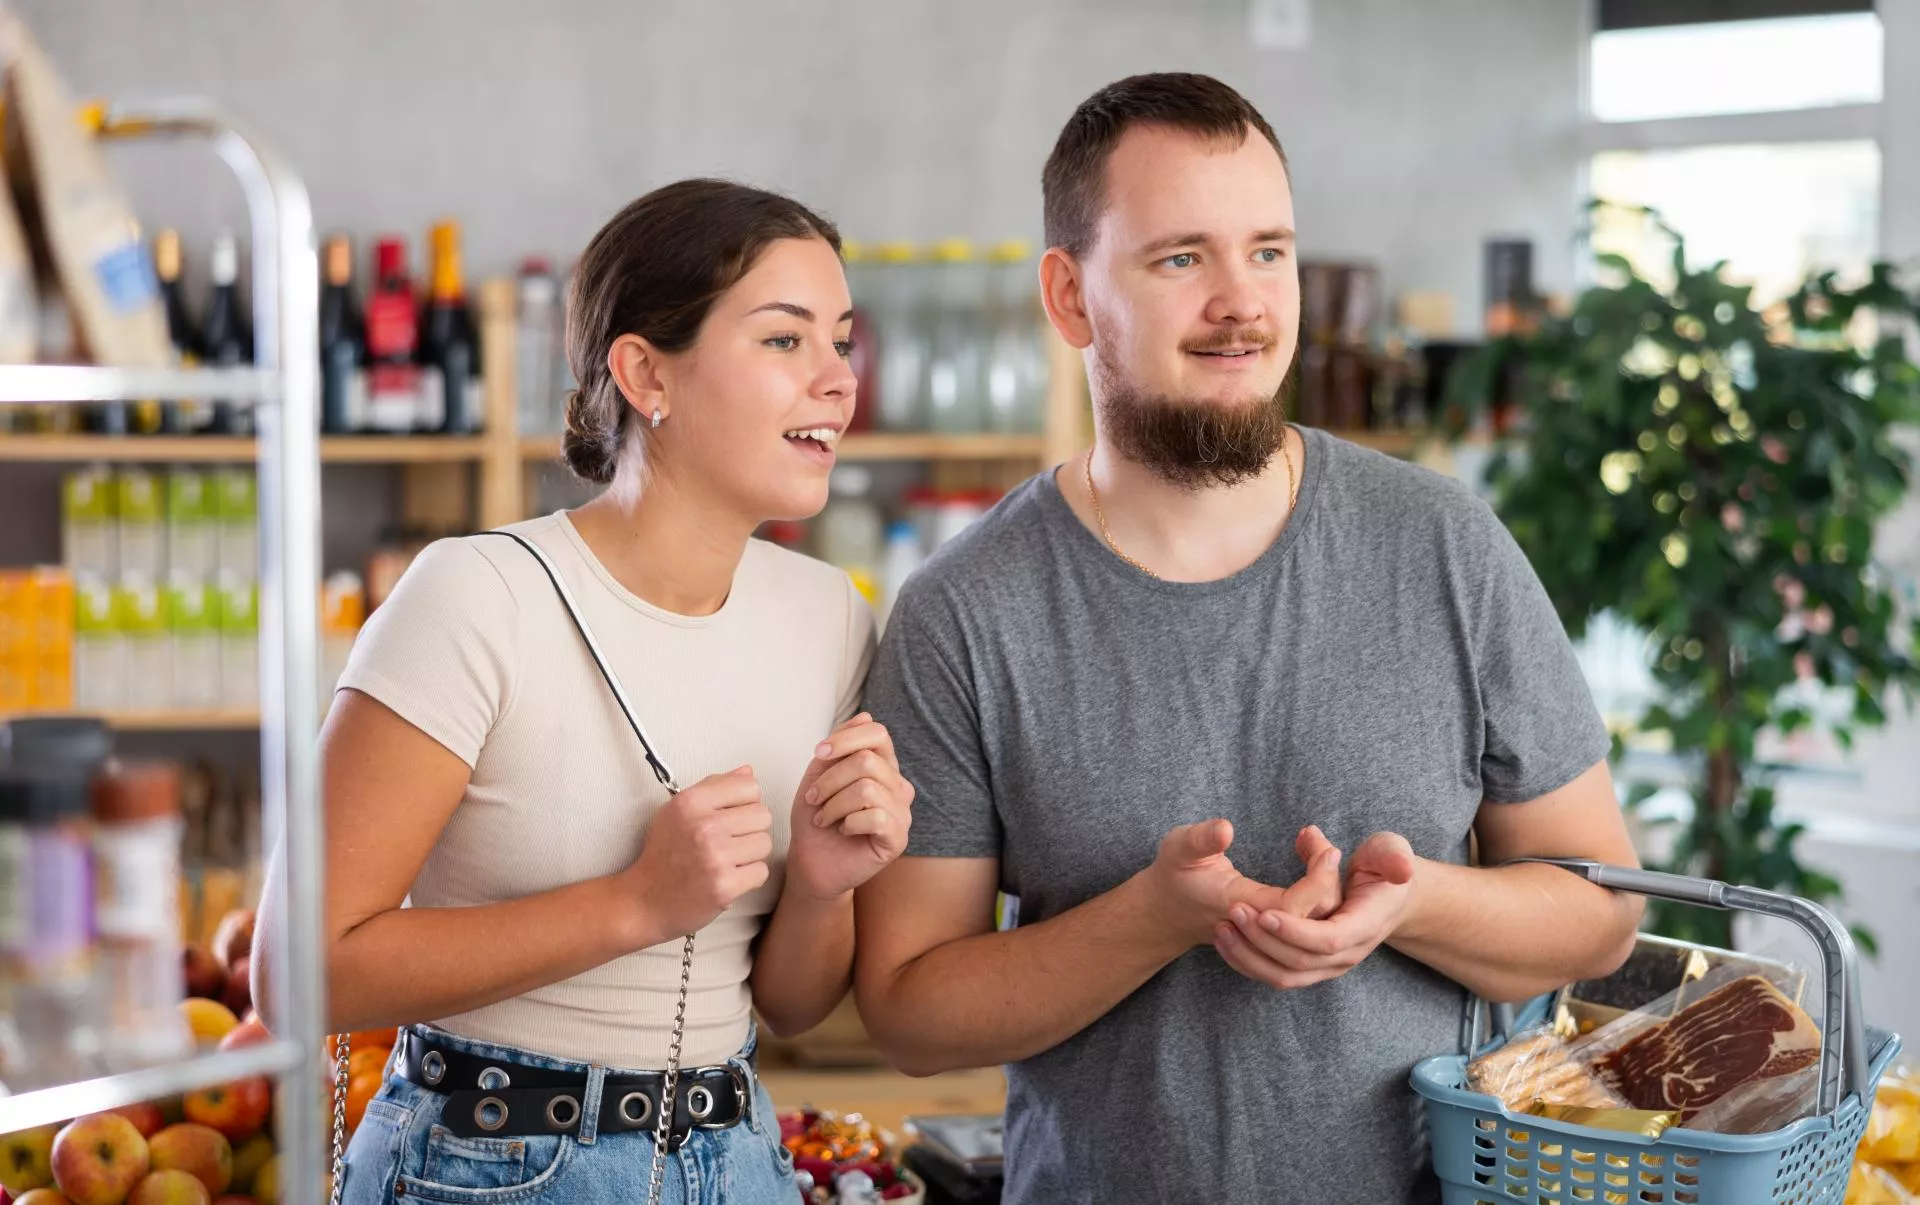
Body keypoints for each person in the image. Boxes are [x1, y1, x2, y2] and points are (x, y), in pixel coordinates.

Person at [854, 73, 1644, 1203]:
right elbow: (909, 1009)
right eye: (1183, 258)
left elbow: (1600, 915)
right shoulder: (965, 611)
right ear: (1071, 296)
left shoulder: (1445, 546)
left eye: (1268, 252)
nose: (1244, 303)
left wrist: (1410, 900)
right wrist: (1150, 917)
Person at [256, 179, 914, 1205]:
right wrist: (632, 903)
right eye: (786, 342)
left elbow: (789, 1003)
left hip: (734, 1152)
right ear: (646, 372)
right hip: (486, 1161)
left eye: (842, 340)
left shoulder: (831, 616)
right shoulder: (477, 596)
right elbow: (300, 972)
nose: (839, 381)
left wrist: (825, 882)